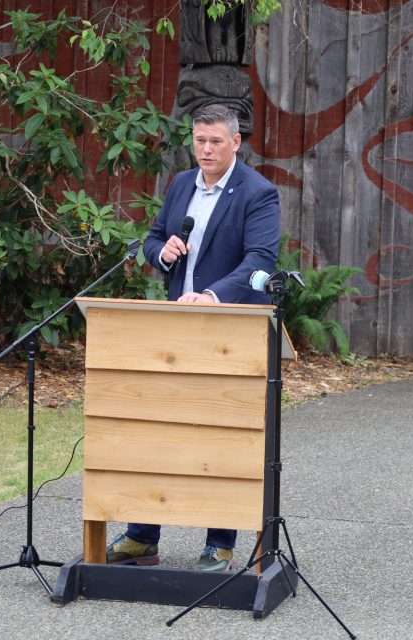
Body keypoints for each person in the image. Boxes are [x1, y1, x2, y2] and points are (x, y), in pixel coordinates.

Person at [105, 104, 281, 571]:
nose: (205, 149)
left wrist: (212, 294)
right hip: (174, 331)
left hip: (228, 333)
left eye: (215, 142)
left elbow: (261, 261)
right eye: (199, 140)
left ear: (236, 142)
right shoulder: (182, 184)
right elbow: (153, 238)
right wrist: (160, 252)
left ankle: (219, 543)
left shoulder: (258, 194)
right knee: (159, 432)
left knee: (218, 437)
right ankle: (143, 538)